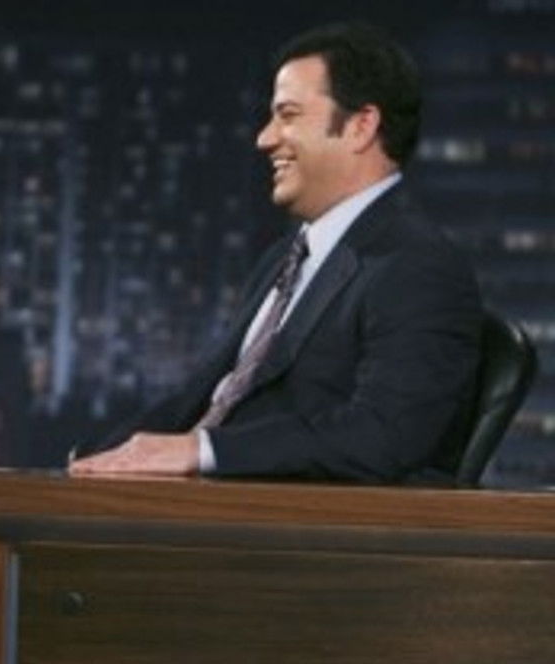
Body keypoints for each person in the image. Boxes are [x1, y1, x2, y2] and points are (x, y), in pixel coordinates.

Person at [70, 23, 482, 484]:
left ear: (361, 126)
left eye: (287, 115)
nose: (264, 138)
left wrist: (205, 452)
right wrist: (98, 456)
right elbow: (201, 397)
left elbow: (383, 435)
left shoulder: (418, 266)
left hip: (282, 523)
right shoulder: (283, 258)